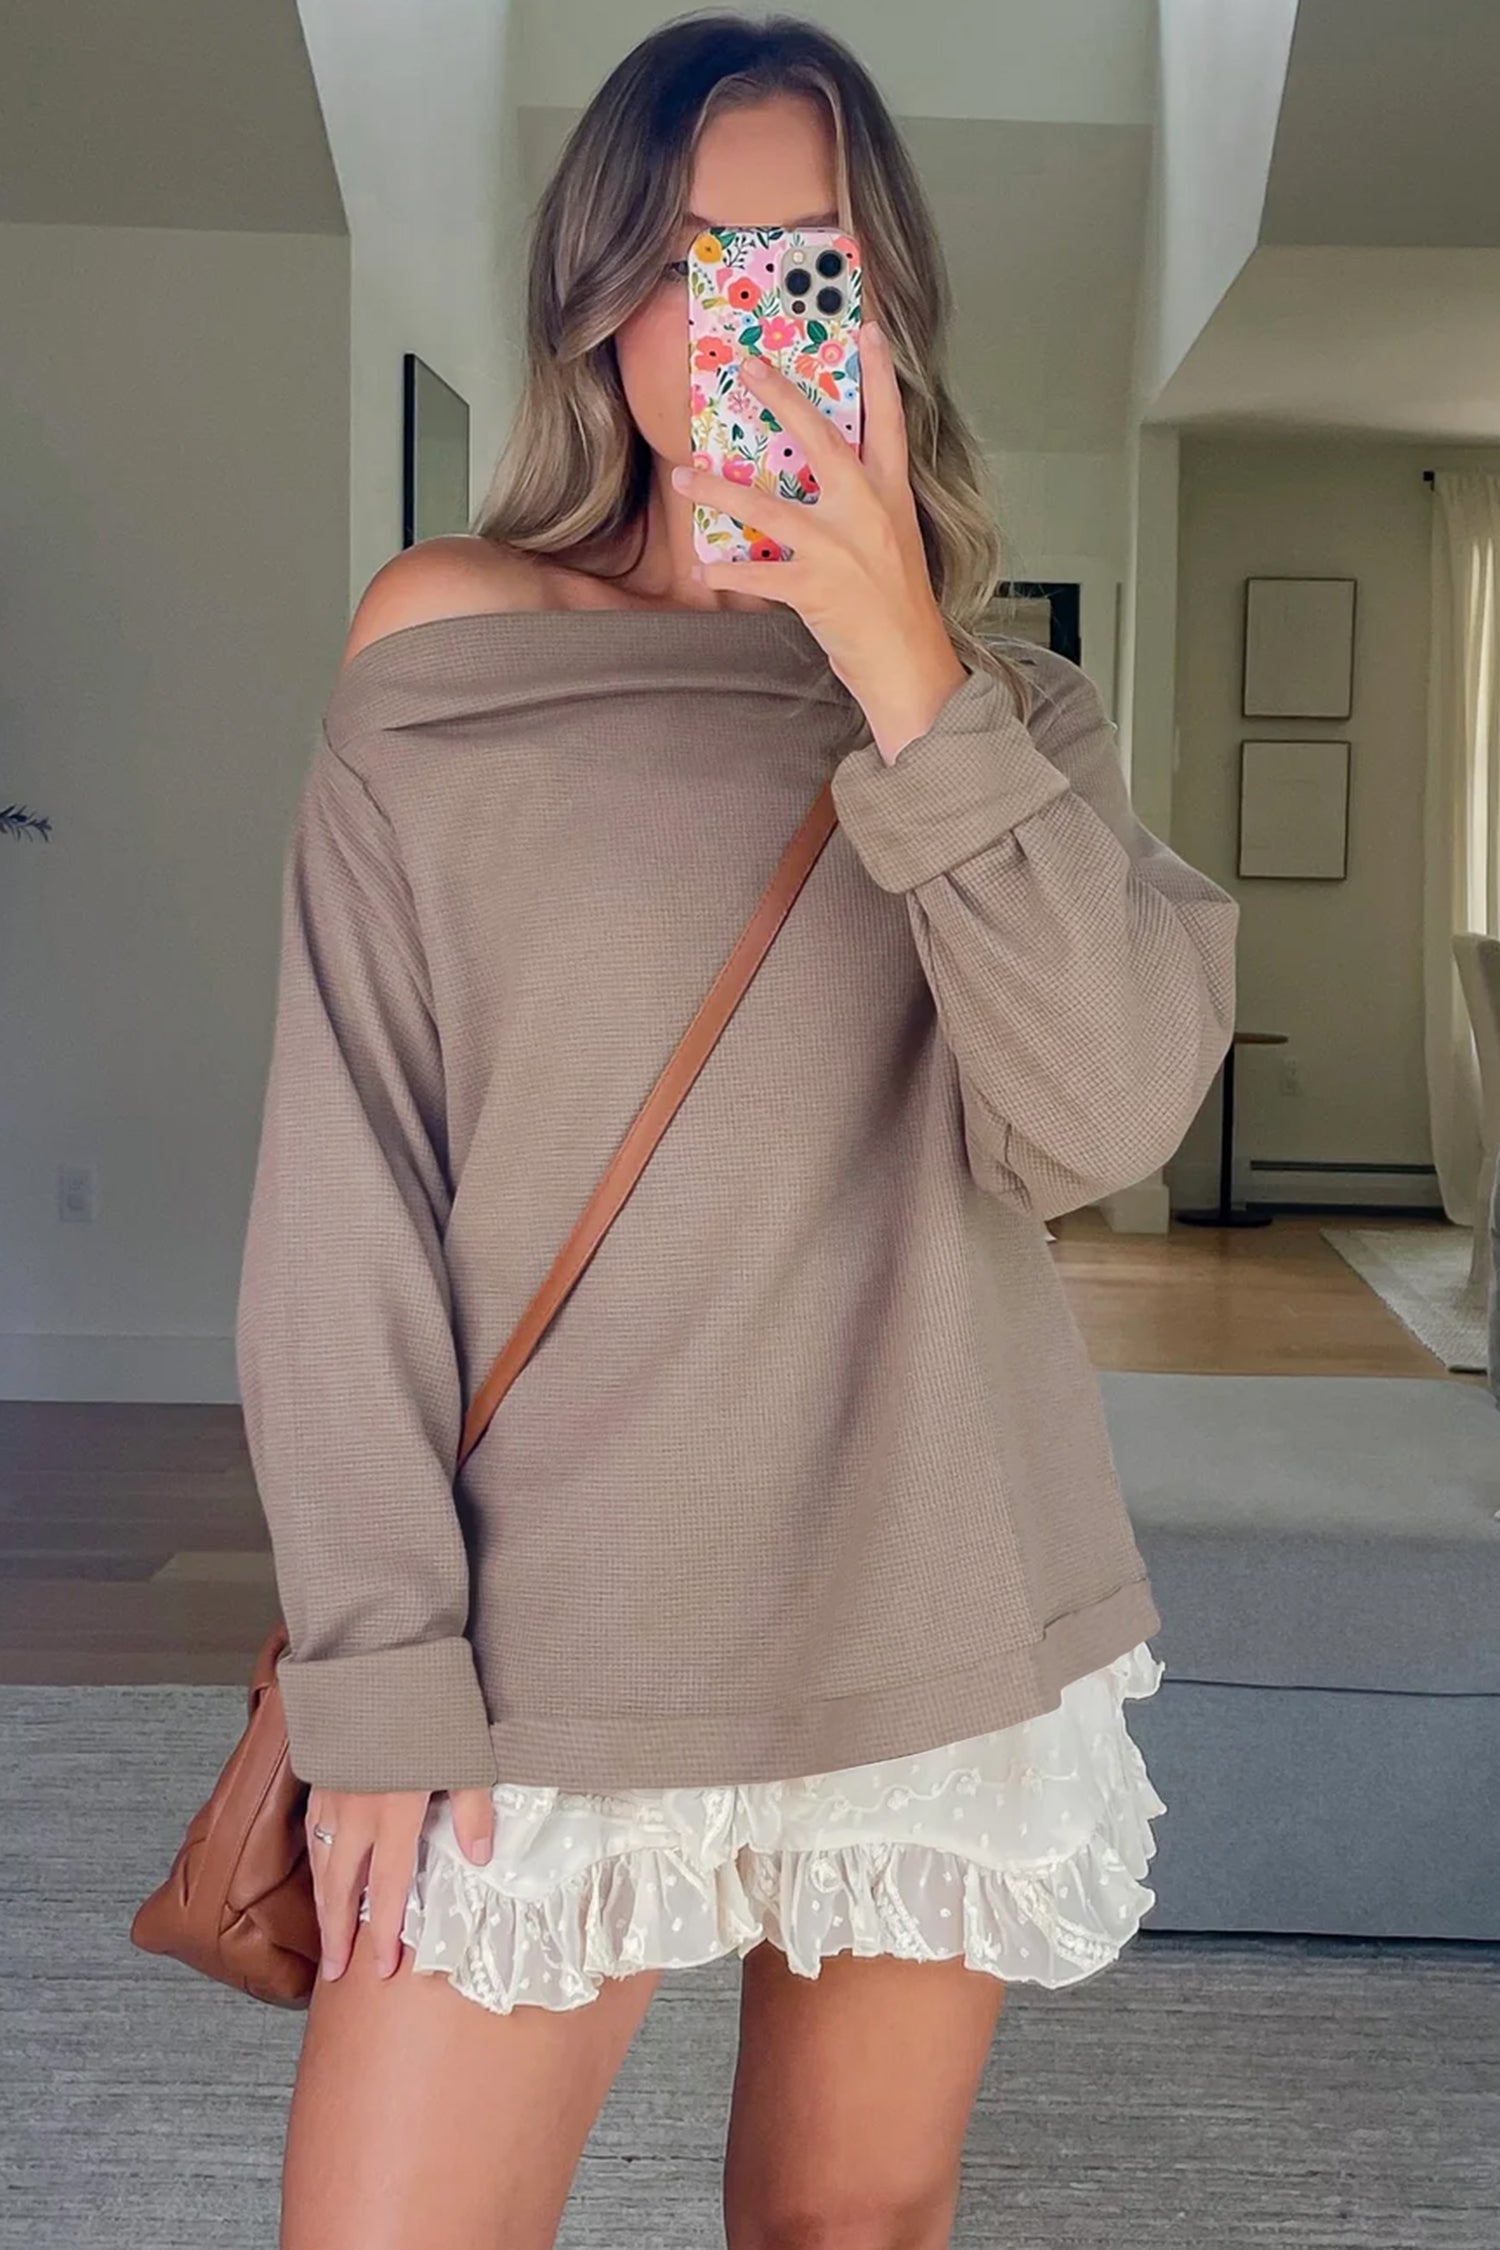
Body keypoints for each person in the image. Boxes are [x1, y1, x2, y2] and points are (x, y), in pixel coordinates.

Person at [235, 13, 1239, 2247]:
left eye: (812, 265)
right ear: (601, 296)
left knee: (844, 2227)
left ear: (885, 309)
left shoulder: (1009, 719)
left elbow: (1098, 1118)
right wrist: (372, 1664)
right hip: (554, 1618)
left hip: (929, 1579)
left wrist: (901, 664)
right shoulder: (450, 643)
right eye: (700, 258)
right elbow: (348, 1186)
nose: (750, 319)